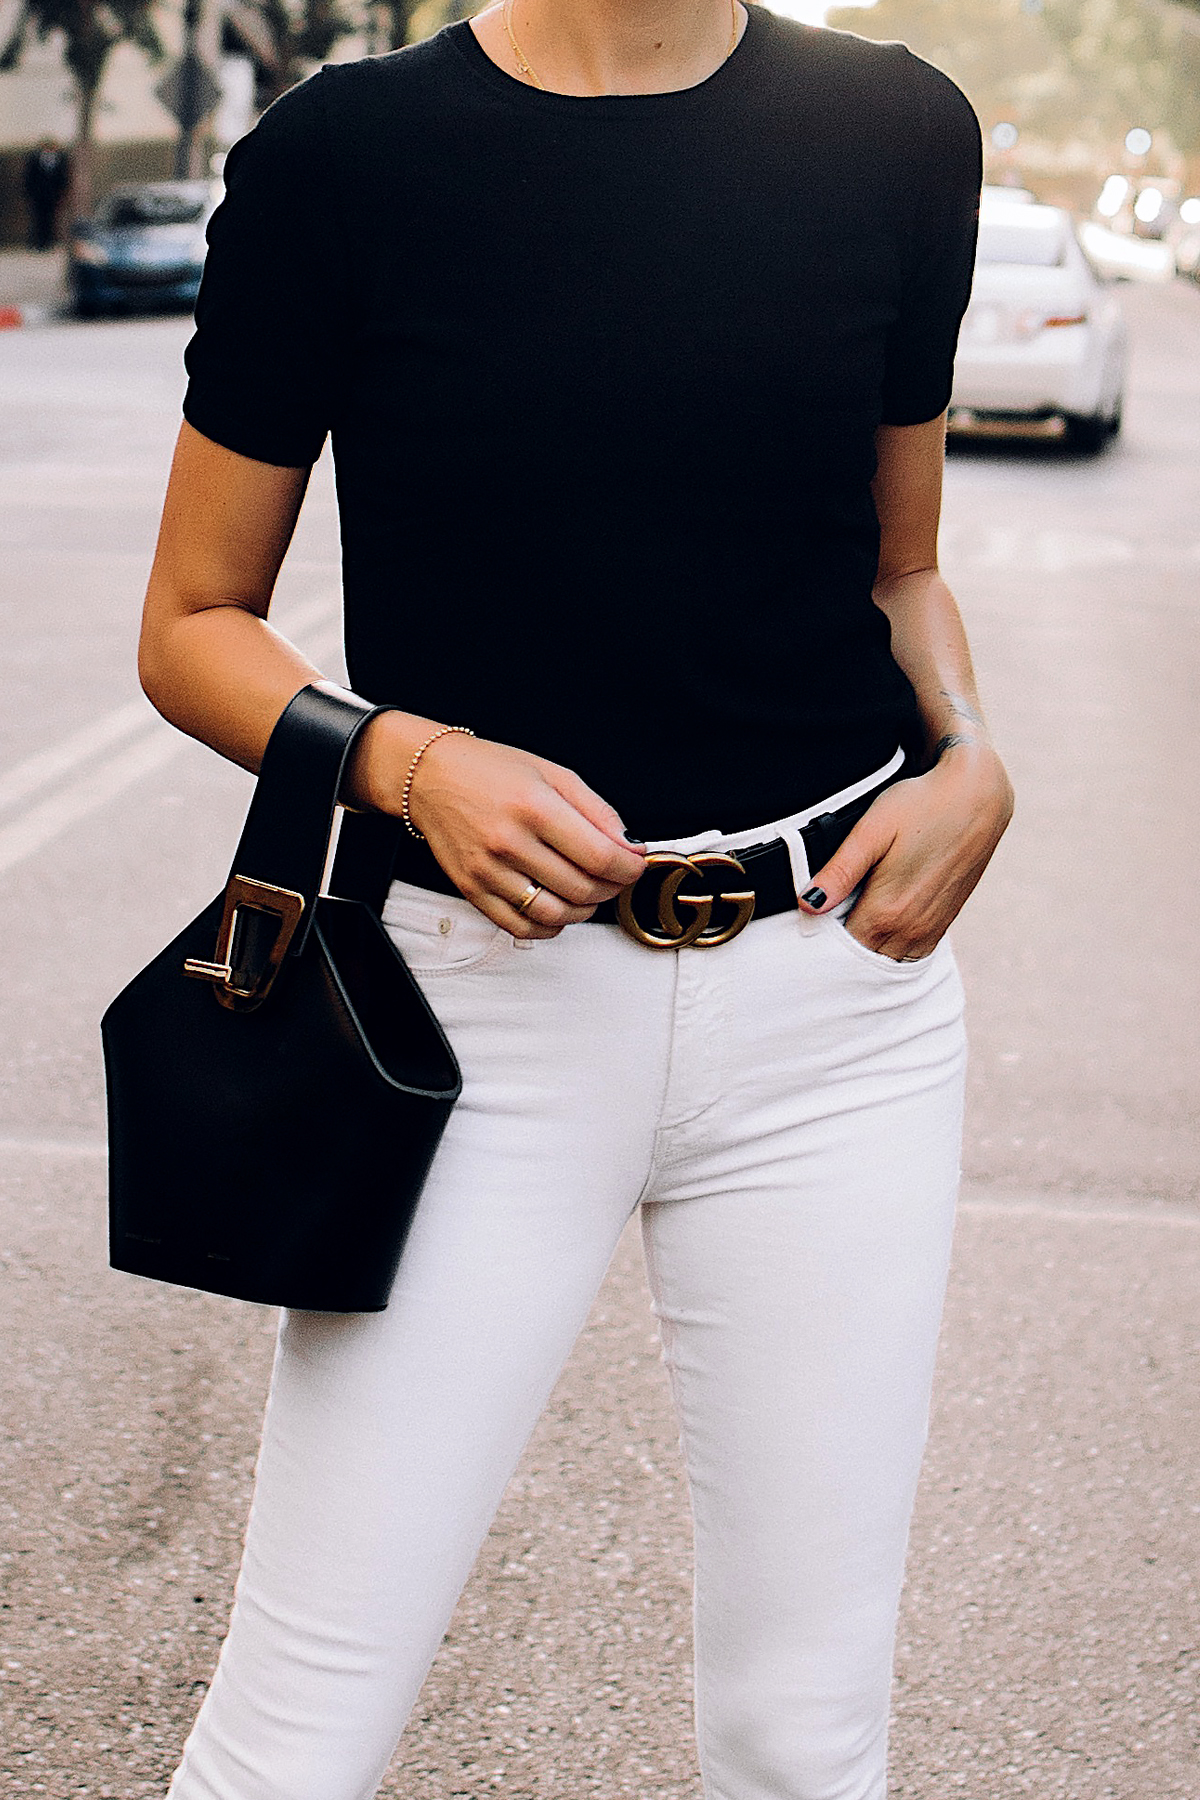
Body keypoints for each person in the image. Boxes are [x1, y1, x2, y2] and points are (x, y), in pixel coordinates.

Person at [136, 0, 1013, 1794]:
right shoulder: (342, 157)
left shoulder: (898, 134)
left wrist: (974, 757)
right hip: (466, 1023)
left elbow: (904, 561)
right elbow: (188, 626)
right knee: (299, 1737)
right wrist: (411, 763)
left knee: (803, 1733)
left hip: (837, 1006)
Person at [23, 138, 70, 250]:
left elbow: (63, 178)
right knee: (38, 218)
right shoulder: (35, 159)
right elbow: (29, 177)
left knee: (50, 218)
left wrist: (61, 193)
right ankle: (39, 242)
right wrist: (29, 193)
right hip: (38, 195)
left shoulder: (60, 160)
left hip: (53, 195)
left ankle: (49, 241)